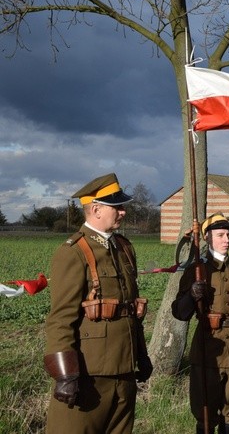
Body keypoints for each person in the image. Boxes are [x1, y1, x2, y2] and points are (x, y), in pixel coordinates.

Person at [44, 173, 152, 434]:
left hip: (125, 371)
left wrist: (141, 355)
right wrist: (65, 375)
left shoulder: (124, 248)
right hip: (89, 376)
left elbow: (130, 310)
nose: (124, 212)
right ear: (96, 209)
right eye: (118, 207)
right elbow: (61, 319)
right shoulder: (73, 252)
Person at [172, 213, 229, 434]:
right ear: (207, 237)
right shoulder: (196, 270)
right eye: (220, 235)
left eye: (228, 234)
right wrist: (191, 295)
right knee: (205, 412)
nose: (226, 240)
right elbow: (180, 313)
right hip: (208, 352)